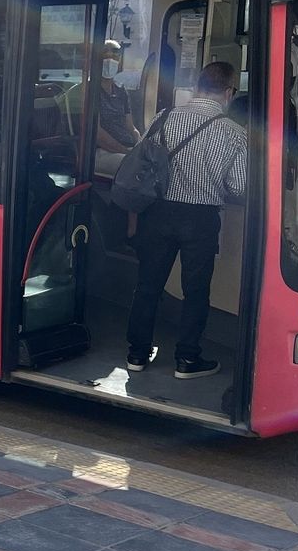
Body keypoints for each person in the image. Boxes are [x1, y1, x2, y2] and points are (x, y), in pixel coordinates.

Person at [125, 60, 247, 379]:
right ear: (229, 92)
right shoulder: (234, 133)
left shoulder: (164, 117)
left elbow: (144, 160)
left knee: (148, 284)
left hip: (158, 212)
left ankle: (136, 354)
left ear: (197, 86)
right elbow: (239, 186)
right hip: (200, 218)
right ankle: (187, 359)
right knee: (196, 290)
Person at [95, 40, 141, 154]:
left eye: (115, 56)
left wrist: (140, 147)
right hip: (104, 150)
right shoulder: (90, 91)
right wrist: (127, 153)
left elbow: (131, 127)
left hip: (127, 148)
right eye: (105, 54)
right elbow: (97, 134)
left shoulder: (121, 91)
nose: (110, 59)